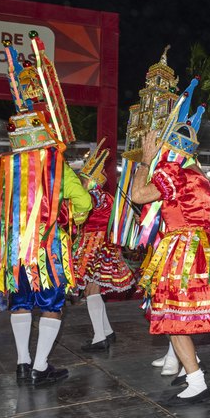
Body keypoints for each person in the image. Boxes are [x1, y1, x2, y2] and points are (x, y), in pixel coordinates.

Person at [0, 34, 93, 386]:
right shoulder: (56, 166)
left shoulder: (4, 168)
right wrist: (69, 219)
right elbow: (85, 203)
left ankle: (22, 362)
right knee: (50, 303)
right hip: (46, 246)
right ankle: (41, 367)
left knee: (20, 303)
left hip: (15, 247)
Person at [129, 88, 210, 404]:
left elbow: (138, 195)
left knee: (171, 318)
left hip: (181, 250)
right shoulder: (201, 177)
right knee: (181, 318)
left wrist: (145, 162)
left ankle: (196, 379)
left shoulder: (171, 171)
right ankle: (188, 371)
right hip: (205, 250)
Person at [73, 140, 137, 351]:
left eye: (83, 178)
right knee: (95, 290)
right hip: (103, 244)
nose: (80, 181)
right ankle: (106, 332)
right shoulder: (106, 197)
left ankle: (99, 337)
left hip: (94, 245)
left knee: (91, 290)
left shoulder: (92, 197)